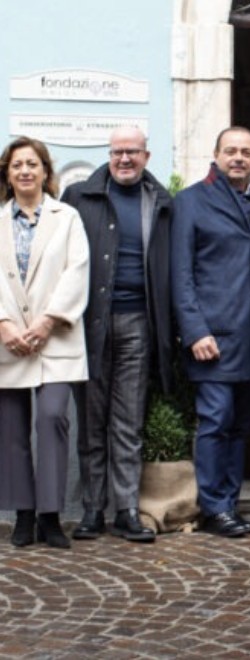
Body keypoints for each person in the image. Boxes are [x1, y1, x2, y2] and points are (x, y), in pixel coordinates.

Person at [61, 127, 172, 543]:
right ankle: (92, 509)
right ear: (108, 155)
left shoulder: (160, 201)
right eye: (116, 152)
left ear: (147, 155)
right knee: (91, 421)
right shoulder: (79, 196)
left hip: (139, 322)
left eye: (132, 152)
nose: (124, 159)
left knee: (128, 420)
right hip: (89, 324)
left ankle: (125, 510)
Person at [171, 126, 250, 538]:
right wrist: (195, 330)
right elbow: (180, 275)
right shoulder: (191, 202)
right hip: (212, 337)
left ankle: (229, 503)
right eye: (230, 151)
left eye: (246, 152)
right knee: (215, 419)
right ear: (215, 154)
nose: (238, 157)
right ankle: (213, 507)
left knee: (241, 423)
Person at [0, 137, 89, 549]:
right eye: (16, 165)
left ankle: (50, 515)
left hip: (55, 336)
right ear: (7, 173)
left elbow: (77, 270)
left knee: (52, 418)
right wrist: (4, 325)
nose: (24, 171)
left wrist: (48, 321)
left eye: (32, 164)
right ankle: (23, 514)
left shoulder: (66, 217)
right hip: (8, 340)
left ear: (44, 170)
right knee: (11, 429)